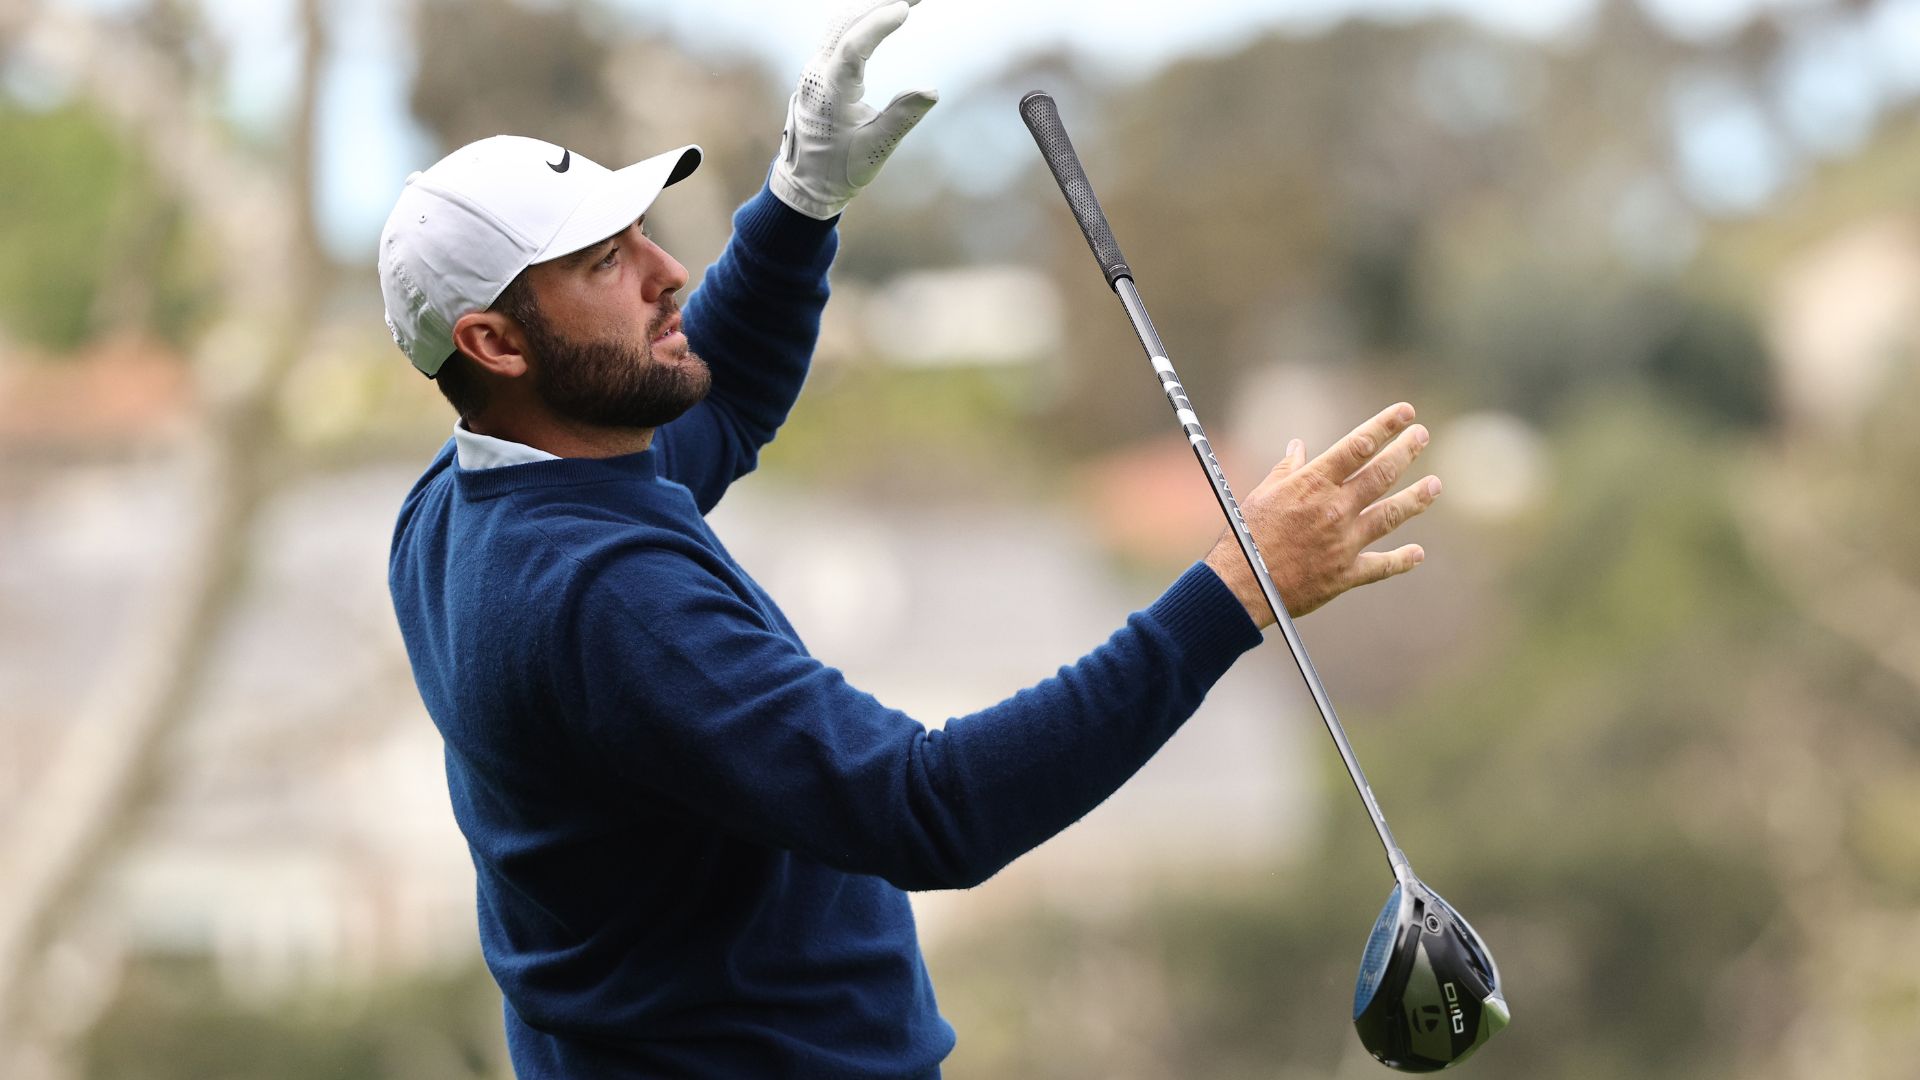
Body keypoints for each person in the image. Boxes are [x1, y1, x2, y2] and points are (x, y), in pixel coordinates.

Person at [380, 1, 1441, 1076]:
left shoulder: (467, 500)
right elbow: (929, 810)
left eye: (642, 234)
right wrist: (1233, 594)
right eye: (606, 263)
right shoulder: (602, 602)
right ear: (496, 342)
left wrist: (797, 204)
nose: (667, 271)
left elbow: (725, 401)